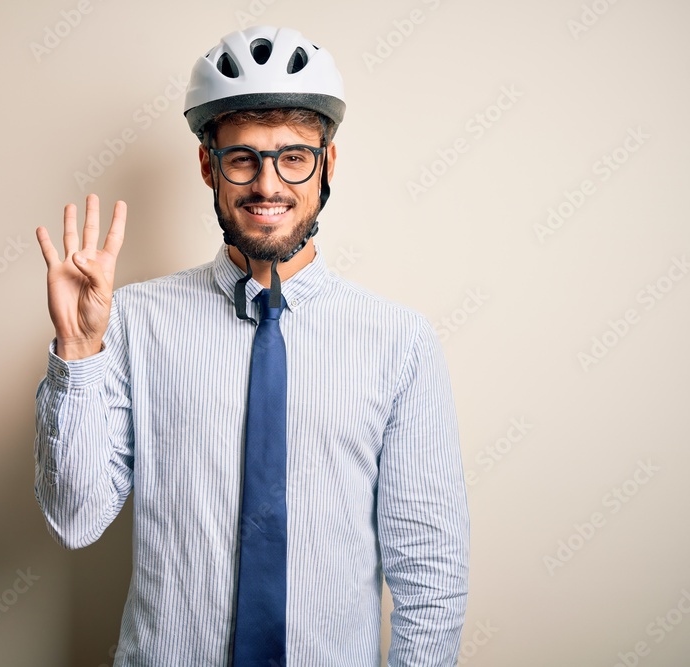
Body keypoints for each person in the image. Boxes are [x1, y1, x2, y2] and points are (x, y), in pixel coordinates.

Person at [34, 25, 469, 666]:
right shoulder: (130, 322)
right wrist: (77, 352)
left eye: (294, 156)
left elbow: (429, 576)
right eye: (243, 158)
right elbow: (75, 520)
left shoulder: (399, 344)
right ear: (209, 165)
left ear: (328, 165)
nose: (269, 185)